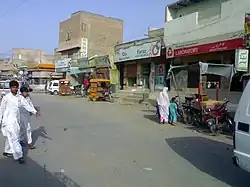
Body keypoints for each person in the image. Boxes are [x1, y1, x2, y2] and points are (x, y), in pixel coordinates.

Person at [0, 80, 38, 164]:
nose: (15, 89)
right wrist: (0, 121)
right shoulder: (6, 97)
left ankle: (7, 151)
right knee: (15, 138)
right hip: (8, 121)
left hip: (16, 120)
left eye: (16, 87)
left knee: (11, 137)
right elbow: (1, 110)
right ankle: (19, 156)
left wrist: (34, 112)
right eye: (13, 87)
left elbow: (26, 105)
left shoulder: (19, 98)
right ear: (10, 88)